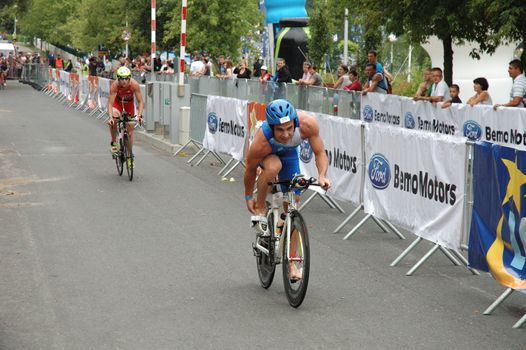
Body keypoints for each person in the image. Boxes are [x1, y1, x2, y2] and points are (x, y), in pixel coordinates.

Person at [244, 99, 331, 280]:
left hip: (290, 154)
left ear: (295, 122)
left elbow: (320, 153)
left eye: (289, 128)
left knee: (292, 203)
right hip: (268, 155)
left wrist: (322, 175)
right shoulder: (262, 139)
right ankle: (261, 207)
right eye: (280, 130)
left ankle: (291, 262)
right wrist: (247, 197)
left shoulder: (308, 124)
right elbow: (250, 169)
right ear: (272, 127)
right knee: (274, 166)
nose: (285, 134)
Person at [106, 66, 144, 166]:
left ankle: (130, 155)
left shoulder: (134, 84)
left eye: (126, 78)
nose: (124, 81)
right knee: (114, 119)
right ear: (118, 78)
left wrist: (139, 116)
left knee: (130, 132)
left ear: (129, 78)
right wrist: (110, 118)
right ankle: (114, 142)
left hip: (129, 105)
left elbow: (140, 102)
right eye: (122, 78)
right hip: (117, 104)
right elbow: (110, 103)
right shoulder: (115, 85)